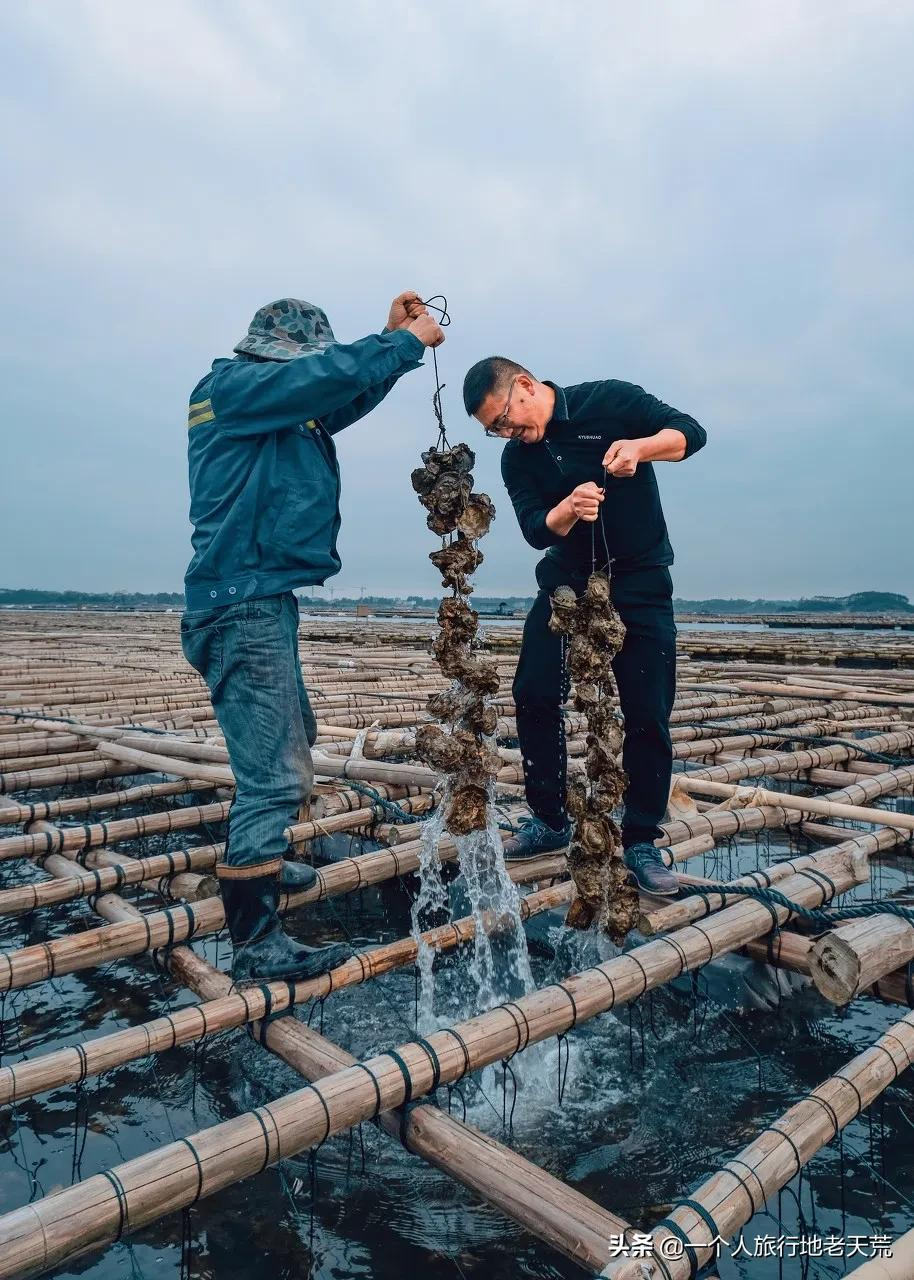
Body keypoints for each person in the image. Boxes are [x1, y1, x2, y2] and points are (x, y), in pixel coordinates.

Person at [181, 294, 444, 981]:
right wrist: (404, 344)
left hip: (261, 598)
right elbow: (319, 382)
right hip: (240, 604)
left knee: (295, 731)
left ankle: (260, 863)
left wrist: (392, 348)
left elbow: (335, 398)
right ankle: (255, 936)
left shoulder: (273, 401)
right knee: (276, 777)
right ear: (273, 353)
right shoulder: (231, 387)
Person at [462, 357, 706, 896]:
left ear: (525, 386)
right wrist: (568, 509)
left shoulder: (609, 401)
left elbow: (691, 434)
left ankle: (641, 839)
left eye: (504, 419)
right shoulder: (515, 460)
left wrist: (641, 448)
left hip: (640, 582)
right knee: (532, 693)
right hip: (566, 584)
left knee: (647, 711)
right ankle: (549, 820)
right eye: (494, 430)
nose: (505, 433)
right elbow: (533, 529)